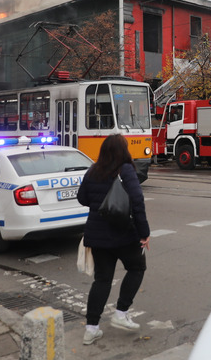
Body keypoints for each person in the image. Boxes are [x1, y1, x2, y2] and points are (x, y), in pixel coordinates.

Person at [76, 134, 151, 346]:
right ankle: (121, 312)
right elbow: (137, 201)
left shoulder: (93, 170)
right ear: (123, 150)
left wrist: (99, 201)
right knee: (136, 268)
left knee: (102, 280)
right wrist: (144, 233)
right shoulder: (126, 169)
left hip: (97, 235)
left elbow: (82, 198)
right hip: (124, 233)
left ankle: (91, 329)